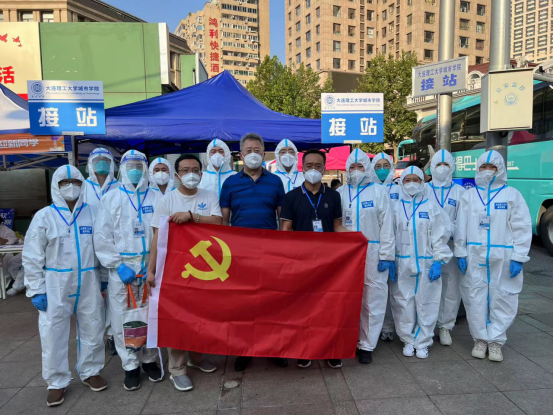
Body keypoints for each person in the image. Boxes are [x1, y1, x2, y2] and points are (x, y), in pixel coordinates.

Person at [23, 165, 107, 407]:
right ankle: (56, 381)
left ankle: (91, 371)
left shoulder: (93, 212)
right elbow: (32, 255)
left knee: (93, 325)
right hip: (55, 283)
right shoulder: (44, 216)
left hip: (89, 279)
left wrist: (103, 275)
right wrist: (36, 289)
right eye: (64, 183)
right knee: (53, 332)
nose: (71, 187)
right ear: (55, 186)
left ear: (83, 184)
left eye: (76, 182)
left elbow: (102, 246)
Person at [147, 154, 221, 392]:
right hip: (175, 269)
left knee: (200, 315)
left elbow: (218, 223)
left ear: (201, 173)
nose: (191, 174)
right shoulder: (167, 200)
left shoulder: (209, 196)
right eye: (185, 170)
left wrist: (191, 217)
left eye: (195, 170)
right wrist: (151, 270)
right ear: (177, 175)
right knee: (177, 318)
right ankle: (177, 369)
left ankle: (196, 357)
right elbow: (157, 237)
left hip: (204, 268)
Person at [94, 150, 163, 391]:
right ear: (122, 168)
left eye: (138, 165)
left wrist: (154, 262)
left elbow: (163, 233)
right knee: (122, 317)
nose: (134, 170)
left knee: (150, 314)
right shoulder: (111, 198)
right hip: (122, 268)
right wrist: (117, 265)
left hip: (150, 267)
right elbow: (102, 236)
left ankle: (149, 360)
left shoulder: (156, 196)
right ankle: (130, 365)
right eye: (130, 165)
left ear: (145, 169)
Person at [454, 150, 532, 362]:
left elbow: (522, 226)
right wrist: (460, 252)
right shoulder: (469, 195)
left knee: (503, 296)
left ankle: (496, 340)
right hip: (474, 253)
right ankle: (480, 339)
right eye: (483, 167)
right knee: (474, 296)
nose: (488, 171)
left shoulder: (511, 195)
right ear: (477, 170)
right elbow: (460, 226)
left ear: (500, 169)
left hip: (503, 254)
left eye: (492, 167)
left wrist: (519, 256)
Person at [220, 133, 287, 372]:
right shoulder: (230, 183)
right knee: (243, 303)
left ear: (263, 153)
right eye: (248, 150)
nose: (253, 154)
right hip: (240, 253)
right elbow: (224, 221)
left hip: (269, 251)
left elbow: (283, 218)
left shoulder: (275, 182)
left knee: (271, 301)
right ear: (241, 154)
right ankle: (244, 350)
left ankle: (273, 348)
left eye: (257, 150)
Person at [281, 149, 347, 369]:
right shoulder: (291, 197)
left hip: (329, 261)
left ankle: (331, 350)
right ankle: (305, 349)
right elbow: (286, 230)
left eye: (318, 165)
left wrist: (357, 238)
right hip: (301, 261)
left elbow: (337, 226)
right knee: (304, 307)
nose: (313, 169)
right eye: (309, 165)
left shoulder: (333, 196)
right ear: (302, 168)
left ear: (324, 168)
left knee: (329, 306)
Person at [336, 149, 395, 365]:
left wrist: (386, 254)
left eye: (360, 166)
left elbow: (387, 224)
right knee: (347, 297)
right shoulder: (340, 192)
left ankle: (367, 344)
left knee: (373, 297)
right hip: (346, 253)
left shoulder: (379, 191)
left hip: (373, 251)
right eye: (352, 167)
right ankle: (349, 338)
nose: (356, 171)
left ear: (367, 168)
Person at [390, 166, 453, 359]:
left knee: (427, 302)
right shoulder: (395, 207)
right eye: (407, 180)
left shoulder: (431, 207)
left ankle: (423, 342)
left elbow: (440, 235)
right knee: (403, 302)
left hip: (427, 263)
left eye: (415, 180)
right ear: (401, 183)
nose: (411, 184)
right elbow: (389, 235)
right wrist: (390, 259)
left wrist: (438, 260)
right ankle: (408, 340)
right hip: (402, 263)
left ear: (422, 182)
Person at [83, 147, 120, 356]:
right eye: (97, 160)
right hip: (88, 247)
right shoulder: (83, 187)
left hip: (113, 248)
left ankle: (113, 334)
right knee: (93, 297)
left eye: (105, 159)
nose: (102, 163)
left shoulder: (119, 186)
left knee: (114, 295)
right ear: (90, 164)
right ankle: (95, 336)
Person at [427, 150, 466, 347]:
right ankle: (426, 325)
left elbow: (464, 221)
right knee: (427, 287)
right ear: (432, 167)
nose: (442, 168)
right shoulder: (424, 189)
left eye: (446, 165)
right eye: (438, 164)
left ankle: (445, 326)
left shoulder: (460, 192)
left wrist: (459, 247)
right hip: (428, 247)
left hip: (450, 246)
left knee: (451, 288)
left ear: (452, 167)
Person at [371, 152, 401, 342]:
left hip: (401, 245)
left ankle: (390, 325)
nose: (382, 170)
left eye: (386, 166)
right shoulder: (370, 190)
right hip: (377, 245)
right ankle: (379, 326)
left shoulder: (400, 188)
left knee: (395, 290)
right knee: (378, 289)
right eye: (378, 166)